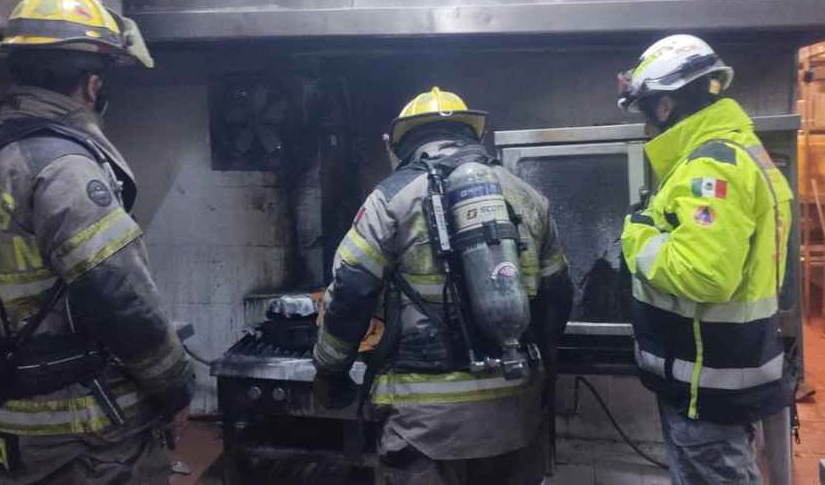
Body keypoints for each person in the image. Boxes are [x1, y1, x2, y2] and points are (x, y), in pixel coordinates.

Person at [0, 0, 194, 484]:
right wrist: (176, 386)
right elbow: (118, 294)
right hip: (74, 442)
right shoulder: (64, 167)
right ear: (90, 85)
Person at [312, 87, 573, 485]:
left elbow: (351, 291)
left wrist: (330, 371)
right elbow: (558, 298)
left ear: (404, 143)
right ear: (472, 135)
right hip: (515, 414)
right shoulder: (529, 197)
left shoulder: (389, 200)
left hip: (425, 427)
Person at [617, 35, 794, 484]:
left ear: (664, 107)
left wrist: (636, 236)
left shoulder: (709, 167)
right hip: (720, 375)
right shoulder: (737, 153)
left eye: (645, 110)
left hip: (706, 386)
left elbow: (704, 275)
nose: (645, 126)